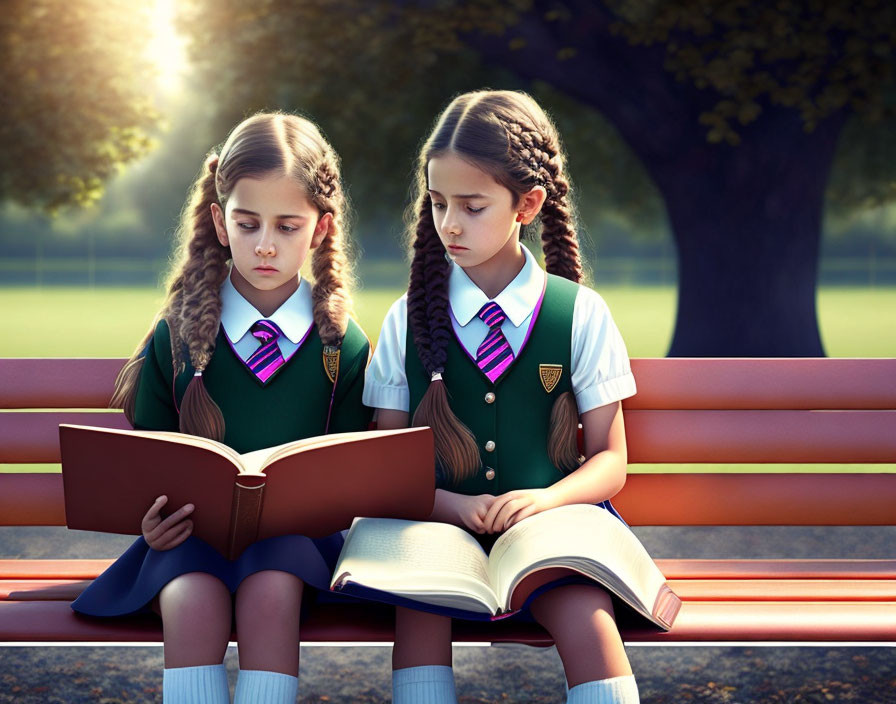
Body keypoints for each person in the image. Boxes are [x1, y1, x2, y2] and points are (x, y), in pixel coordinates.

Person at [72, 112, 371, 704]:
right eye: (247, 222)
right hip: (187, 541)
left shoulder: (344, 344)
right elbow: (145, 457)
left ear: (319, 230)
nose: (265, 244)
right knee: (191, 601)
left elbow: (357, 469)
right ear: (219, 220)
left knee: (272, 594)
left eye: (287, 226)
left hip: (297, 547)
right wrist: (150, 524)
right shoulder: (178, 337)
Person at [363, 90, 641, 704]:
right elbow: (383, 464)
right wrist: (453, 508)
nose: (451, 224)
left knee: (586, 614)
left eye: (473, 205)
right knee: (420, 610)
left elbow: (609, 459)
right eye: (438, 204)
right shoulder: (405, 321)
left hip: (554, 526)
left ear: (528, 204)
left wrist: (546, 500)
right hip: (433, 528)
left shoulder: (581, 316)